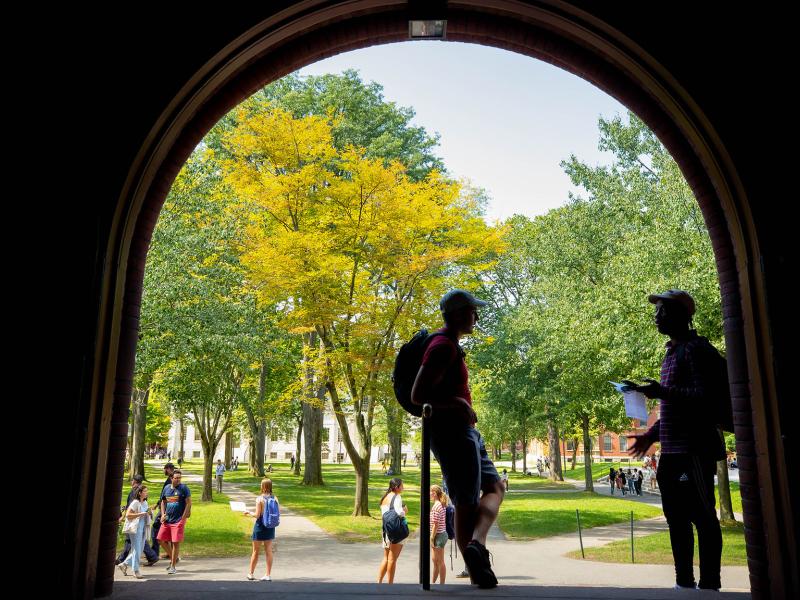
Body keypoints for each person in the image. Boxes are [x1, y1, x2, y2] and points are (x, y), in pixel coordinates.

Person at [627, 289, 725, 592]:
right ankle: (684, 583)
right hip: (670, 452)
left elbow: (705, 397)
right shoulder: (671, 352)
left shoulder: (695, 350)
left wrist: (662, 392)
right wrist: (649, 435)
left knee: (704, 519)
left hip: (693, 452)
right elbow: (672, 409)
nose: (656, 317)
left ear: (683, 315)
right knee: (676, 519)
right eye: (656, 311)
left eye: (663, 311)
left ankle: (709, 586)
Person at [410, 289, 504, 589]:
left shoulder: (450, 345)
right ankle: (477, 571)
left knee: (495, 486)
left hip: (467, 435)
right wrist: (458, 404)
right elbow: (418, 395)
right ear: (458, 314)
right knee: (465, 505)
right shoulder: (442, 347)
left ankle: (477, 545)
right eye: (472, 310)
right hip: (453, 436)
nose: (476, 316)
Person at [116, 475, 159, 567]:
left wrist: (123, 517)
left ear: (134, 481)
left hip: (137, 524)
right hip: (136, 525)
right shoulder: (136, 495)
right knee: (134, 544)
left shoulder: (135, 493)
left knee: (137, 546)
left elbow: (130, 509)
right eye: (145, 491)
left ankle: (125, 562)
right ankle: (124, 562)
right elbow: (131, 508)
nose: (147, 493)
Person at [157, 469, 192, 574]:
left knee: (175, 543)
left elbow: (189, 503)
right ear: (171, 478)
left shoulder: (184, 488)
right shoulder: (167, 488)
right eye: (176, 478)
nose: (178, 480)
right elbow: (163, 502)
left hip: (178, 520)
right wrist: (163, 514)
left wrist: (183, 518)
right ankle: (174, 558)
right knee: (160, 540)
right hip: (167, 520)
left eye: (179, 478)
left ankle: (173, 566)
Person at [243, 478, 277, 581]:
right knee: (268, 551)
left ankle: (251, 573)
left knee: (255, 551)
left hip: (260, 526)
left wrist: (248, 512)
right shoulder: (275, 498)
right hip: (270, 526)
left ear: (262, 487)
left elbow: (257, 515)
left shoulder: (259, 499)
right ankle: (268, 574)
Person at [117, 485, 153, 579]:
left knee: (139, 550)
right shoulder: (135, 502)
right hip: (135, 529)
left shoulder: (145, 502)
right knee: (136, 549)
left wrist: (149, 512)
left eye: (146, 491)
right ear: (140, 493)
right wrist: (142, 513)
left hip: (143, 528)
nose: (147, 492)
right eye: (145, 491)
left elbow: (146, 513)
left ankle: (124, 564)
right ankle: (135, 570)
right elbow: (128, 515)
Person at [377, 478, 407, 584]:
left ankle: (379, 582)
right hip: (396, 531)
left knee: (386, 558)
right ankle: (390, 585)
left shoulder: (385, 497)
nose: (403, 487)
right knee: (392, 559)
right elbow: (399, 512)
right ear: (396, 487)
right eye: (402, 486)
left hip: (386, 530)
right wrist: (405, 511)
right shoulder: (397, 496)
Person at [151, 462, 175, 559]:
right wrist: (157, 504)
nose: (163, 471)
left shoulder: (170, 480)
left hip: (165, 509)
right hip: (166, 508)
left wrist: (162, 510)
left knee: (155, 528)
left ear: (168, 469)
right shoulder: (171, 479)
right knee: (169, 531)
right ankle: (170, 553)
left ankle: (153, 553)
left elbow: (165, 497)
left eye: (164, 469)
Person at [429, 485, 449, 585]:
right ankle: (432, 583)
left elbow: (435, 525)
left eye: (430, 492)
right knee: (435, 561)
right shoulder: (440, 504)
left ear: (434, 493)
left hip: (438, 536)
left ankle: (442, 584)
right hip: (440, 535)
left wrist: (432, 538)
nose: (429, 494)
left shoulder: (436, 507)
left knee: (440, 562)